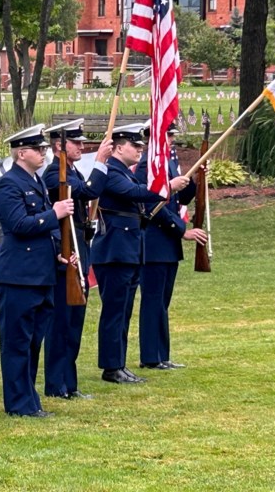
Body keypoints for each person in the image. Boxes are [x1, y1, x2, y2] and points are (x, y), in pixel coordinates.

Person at [90, 122, 186, 385]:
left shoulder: (125, 172)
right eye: (135, 145)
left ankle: (118, 364)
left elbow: (140, 195)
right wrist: (168, 186)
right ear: (119, 148)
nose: (140, 150)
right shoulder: (111, 172)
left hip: (128, 251)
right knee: (114, 311)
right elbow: (134, 193)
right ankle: (111, 366)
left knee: (123, 311)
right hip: (114, 252)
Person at [0, 124, 74, 417]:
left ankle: (29, 399)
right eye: (38, 149)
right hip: (18, 276)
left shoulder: (35, 181)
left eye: (43, 149)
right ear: (21, 152)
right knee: (17, 343)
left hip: (40, 273)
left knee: (33, 342)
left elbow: (42, 233)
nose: (44, 153)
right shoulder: (9, 184)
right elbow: (19, 225)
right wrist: (55, 213)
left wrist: (58, 256)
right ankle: (18, 403)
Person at [41, 119, 112, 400]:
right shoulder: (53, 175)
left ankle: (69, 383)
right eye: (76, 142)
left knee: (75, 318)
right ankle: (57, 384)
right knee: (62, 319)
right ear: (60, 145)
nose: (83, 146)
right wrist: (102, 161)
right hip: (65, 249)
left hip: (80, 245)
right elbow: (89, 191)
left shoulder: (71, 171)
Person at [135, 125, 207, 370]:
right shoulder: (147, 165)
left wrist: (195, 179)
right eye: (168, 135)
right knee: (153, 300)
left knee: (162, 301)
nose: (172, 139)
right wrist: (182, 230)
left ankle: (161, 355)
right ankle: (150, 357)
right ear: (154, 137)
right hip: (154, 242)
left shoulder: (168, 163)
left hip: (167, 244)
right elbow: (153, 207)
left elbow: (180, 199)